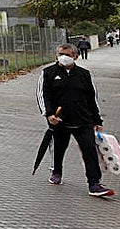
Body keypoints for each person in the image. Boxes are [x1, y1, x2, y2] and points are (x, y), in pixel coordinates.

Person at [38, 42, 113, 197]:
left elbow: (92, 98)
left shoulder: (84, 75)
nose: (63, 58)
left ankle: (94, 183)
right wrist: (49, 114)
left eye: (67, 55)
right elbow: (44, 96)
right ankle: (56, 172)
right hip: (59, 120)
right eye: (60, 54)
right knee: (58, 149)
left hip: (83, 120)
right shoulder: (48, 73)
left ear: (76, 57)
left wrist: (97, 120)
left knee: (89, 149)